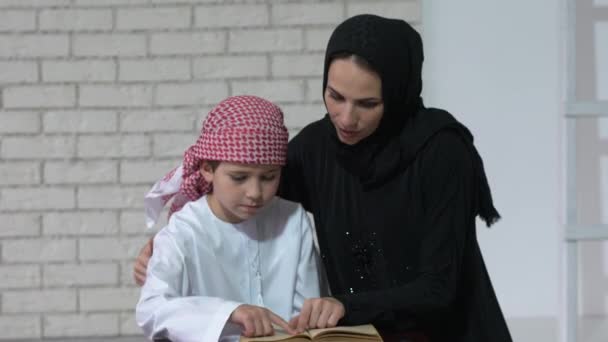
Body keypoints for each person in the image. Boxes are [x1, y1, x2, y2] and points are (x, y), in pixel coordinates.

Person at [135, 14, 512, 341]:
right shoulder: (317, 148)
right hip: (356, 337)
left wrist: (343, 305)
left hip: (450, 333)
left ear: (398, 94)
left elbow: (439, 288)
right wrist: (166, 245)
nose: (346, 119)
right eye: (335, 96)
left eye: (368, 104)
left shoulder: (442, 152)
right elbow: (242, 179)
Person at [135, 95, 324, 342]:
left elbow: (306, 311)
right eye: (239, 177)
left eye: (268, 177)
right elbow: (152, 309)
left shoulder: (293, 218)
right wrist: (228, 312)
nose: (255, 193)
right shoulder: (185, 230)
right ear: (207, 169)